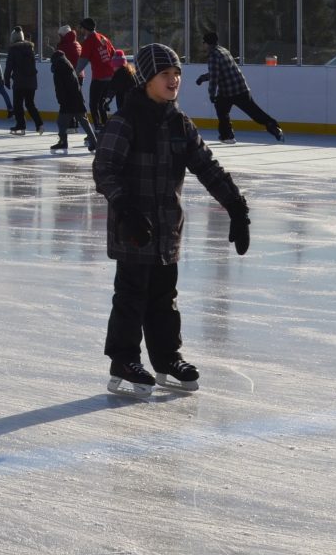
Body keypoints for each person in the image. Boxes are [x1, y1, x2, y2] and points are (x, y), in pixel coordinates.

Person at [92, 43, 249, 398]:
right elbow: (104, 171)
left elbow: (207, 167)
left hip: (167, 230)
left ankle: (166, 359)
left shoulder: (179, 123)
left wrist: (237, 206)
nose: (174, 79)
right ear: (147, 78)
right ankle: (124, 359)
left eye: (177, 73)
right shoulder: (126, 121)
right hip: (133, 230)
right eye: (165, 73)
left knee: (165, 299)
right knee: (131, 297)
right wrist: (127, 210)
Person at [194, 31, 285, 144]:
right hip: (241, 87)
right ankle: (273, 127)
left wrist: (211, 94)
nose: (203, 45)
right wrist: (203, 78)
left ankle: (227, 136)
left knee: (221, 110)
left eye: (204, 43)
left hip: (228, 91)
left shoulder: (213, 56)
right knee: (255, 112)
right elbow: (221, 71)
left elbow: (214, 77)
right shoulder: (224, 51)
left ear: (207, 43)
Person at [49, 42, 98, 154]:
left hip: (67, 101)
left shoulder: (58, 69)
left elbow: (60, 88)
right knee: (84, 121)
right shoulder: (69, 66)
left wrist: (61, 100)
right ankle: (94, 141)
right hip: (77, 99)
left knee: (61, 122)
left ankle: (63, 141)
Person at [77, 17, 119, 129]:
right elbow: (114, 54)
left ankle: (97, 127)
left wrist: (74, 74)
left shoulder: (89, 42)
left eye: (81, 28)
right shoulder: (103, 38)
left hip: (99, 77)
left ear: (85, 28)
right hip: (110, 76)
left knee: (94, 104)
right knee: (102, 103)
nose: (80, 30)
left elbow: (82, 61)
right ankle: (106, 125)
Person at [2, 27, 43, 136]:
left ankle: (21, 126)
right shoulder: (30, 48)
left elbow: (9, 66)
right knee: (30, 104)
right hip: (31, 81)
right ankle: (40, 125)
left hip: (19, 81)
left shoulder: (13, 49)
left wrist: (6, 80)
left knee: (17, 104)